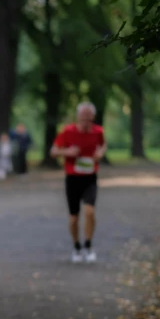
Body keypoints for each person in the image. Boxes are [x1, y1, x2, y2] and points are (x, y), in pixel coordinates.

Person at [50, 102, 107, 264]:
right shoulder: (68, 131)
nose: (86, 122)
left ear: (93, 118)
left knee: (90, 212)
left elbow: (103, 146)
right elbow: (53, 151)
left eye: (89, 119)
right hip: (73, 179)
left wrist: (100, 153)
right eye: (83, 118)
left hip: (90, 177)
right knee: (74, 218)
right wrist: (66, 152)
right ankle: (76, 246)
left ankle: (88, 245)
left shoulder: (98, 131)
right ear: (78, 117)